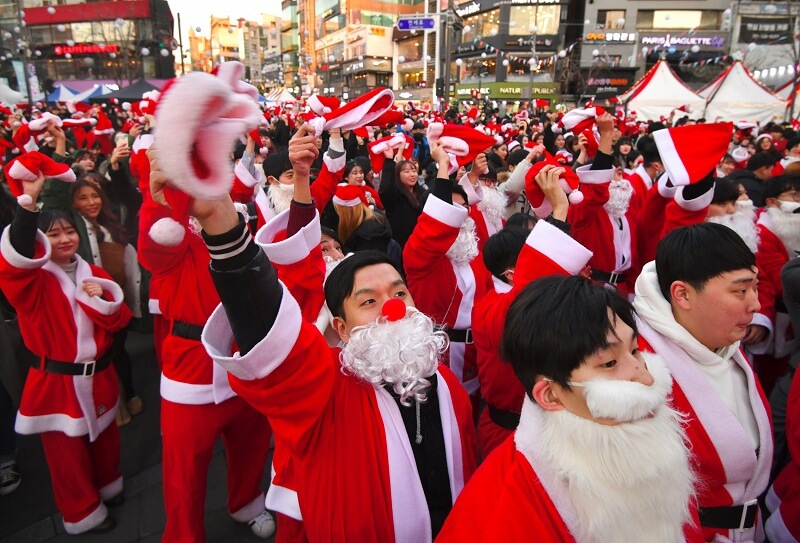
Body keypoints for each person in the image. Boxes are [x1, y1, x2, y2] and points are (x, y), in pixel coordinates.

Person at [194, 127, 478, 542]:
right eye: (369, 301)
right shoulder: (327, 389)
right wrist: (223, 230)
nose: (393, 307)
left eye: (399, 292)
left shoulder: (447, 385)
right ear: (340, 327)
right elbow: (276, 343)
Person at [438, 275, 700, 542]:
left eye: (635, 351)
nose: (645, 377)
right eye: (609, 364)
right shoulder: (505, 507)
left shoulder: (654, 449)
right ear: (550, 395)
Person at [0, 174, 132, 534]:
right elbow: (13, 263)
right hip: (57, 384)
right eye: (54, 234)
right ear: (42, 241)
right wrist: (26, 208)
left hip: (100, 375)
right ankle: (82, 512)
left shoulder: (96, 273)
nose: (65, 239)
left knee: (106, 440)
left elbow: (120, 321)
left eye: (69, 232)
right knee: (66, 456)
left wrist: (100, 299)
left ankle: (108, 485)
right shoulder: (32, 284)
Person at [634, 223, 773, 542]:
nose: (755, 304)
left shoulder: (724, 345)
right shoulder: (642, 370)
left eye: (755, 287)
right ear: (682, 294)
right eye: (740, 290)